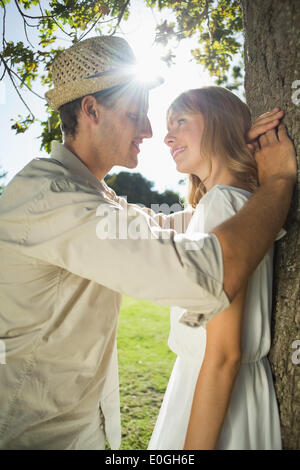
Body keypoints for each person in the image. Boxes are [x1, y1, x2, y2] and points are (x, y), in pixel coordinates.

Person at [0, 36, 296, 450]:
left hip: (78, 428)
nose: (151, 130)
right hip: (35, 434)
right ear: (91, 109)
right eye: (136, 113)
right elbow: (207, 272)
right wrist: (279, 182)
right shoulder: (53, 200)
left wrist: (232, 165)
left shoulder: (93, 196)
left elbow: (169, 226)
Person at [148, 87, 288, 450]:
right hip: (227, 392)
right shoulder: (242, 206)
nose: (166, 136)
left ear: (220, 126)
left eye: (181, 120)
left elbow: (224, 355)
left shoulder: (222, 205)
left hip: (214, 398)